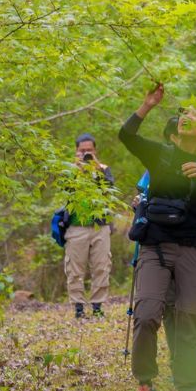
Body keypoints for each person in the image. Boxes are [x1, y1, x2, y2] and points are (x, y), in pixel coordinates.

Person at [119, 84, 196, 391]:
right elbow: (126, 135)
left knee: (190, 318)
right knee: (147, 314)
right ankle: (145, 386)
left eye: (194, 114)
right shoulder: (159, 153)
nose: (186, 117)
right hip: (154, 244)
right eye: (183, 112)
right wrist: (147, 105)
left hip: (195, 249)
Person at [64, 133, 115, 319]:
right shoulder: (70, 170)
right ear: (76, 151)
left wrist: (96, 168)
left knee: (101, 266)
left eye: (89, 150)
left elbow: (109, 190)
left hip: (99, 226)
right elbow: (66, 189)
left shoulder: (103, 169)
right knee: (75, 269)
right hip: (76, 226)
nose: (86, 153)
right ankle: (78, 307)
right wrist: (78, 169)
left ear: (95, 151)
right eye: (82, 150)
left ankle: (97, 307)